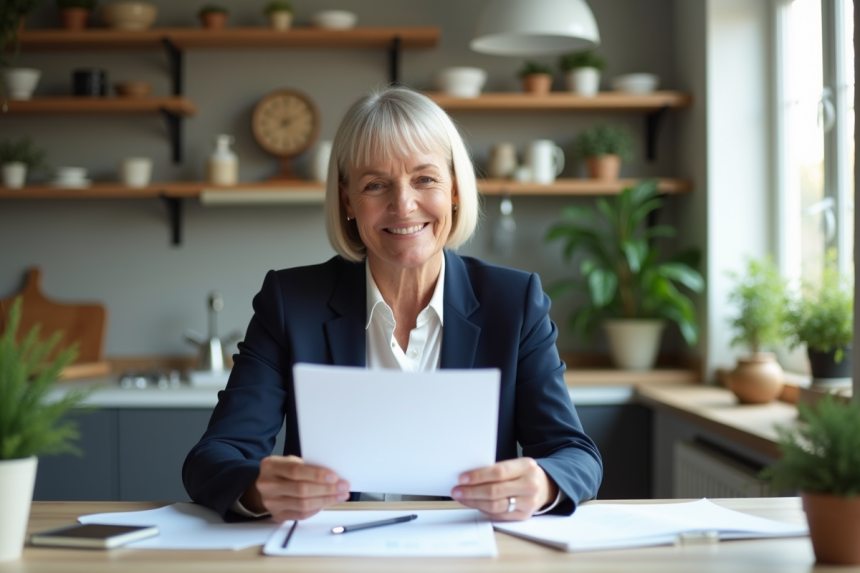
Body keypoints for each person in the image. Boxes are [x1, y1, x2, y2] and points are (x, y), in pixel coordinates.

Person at [183, 86, 602, 524]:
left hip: (467, 552)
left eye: (425, 179)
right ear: (347, 200)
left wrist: (543, 483)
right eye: (375, 184)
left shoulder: (514, 303)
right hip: (329, 553)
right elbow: (213, 457)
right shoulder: (290, 302)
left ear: (455, 189)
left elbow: (575, 455)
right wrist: (258, 489)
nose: (403, 205)